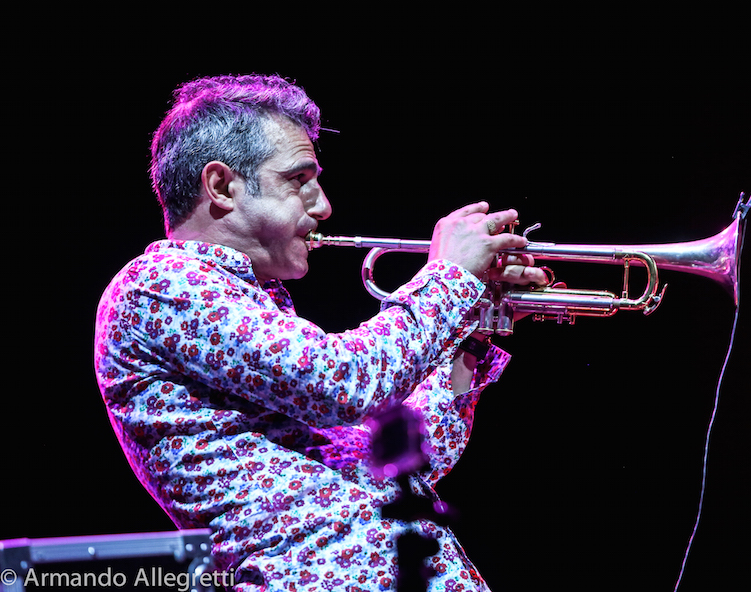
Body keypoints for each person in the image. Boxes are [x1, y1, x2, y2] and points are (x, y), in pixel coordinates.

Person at [94, 74, 547, 591]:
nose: (323, 205)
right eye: (298, 180)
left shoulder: (250, 300)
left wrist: (469, 335)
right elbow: (346, 383)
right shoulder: (160, 284)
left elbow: (397, 459)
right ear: (221, 187)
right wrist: (448, 278)